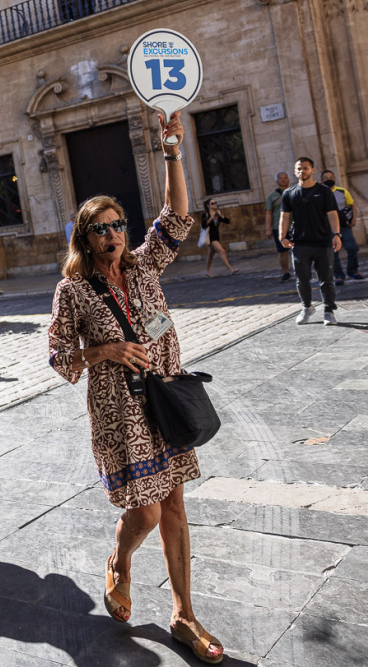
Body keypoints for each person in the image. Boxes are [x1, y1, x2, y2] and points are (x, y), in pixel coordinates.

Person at [47, 112, 225, 664]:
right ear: (86, 236)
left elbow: (176, 216)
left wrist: (171, 150)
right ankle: (120, 561)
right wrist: (104, 351)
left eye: (119, 223)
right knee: (145, 512)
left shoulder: (146, 266)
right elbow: (58, 356)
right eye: (101, 227)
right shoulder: (72, 290)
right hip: (122, 413)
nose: (114, 234)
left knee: (173, 505)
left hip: (165, 400)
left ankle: (183, 615)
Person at [280, 157, 343, 326]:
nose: (302, 171)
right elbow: (285, 216)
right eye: (299, 168)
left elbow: (332, 214)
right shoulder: (289, 193)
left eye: (306, 168)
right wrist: (282, 236)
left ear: (312, 170)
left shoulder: (323, 191)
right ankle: (306, 307)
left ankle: (329, 311)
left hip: (322, 242)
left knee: (326, 279)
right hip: (300, 244)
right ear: (295, 171)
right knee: (302, 279)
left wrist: (336, 234)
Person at [321, 170, 361, 284]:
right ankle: (338, 275)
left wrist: (353, 220)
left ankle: (353, 271)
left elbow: (352, 205)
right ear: (322, 180)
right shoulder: (319, 194)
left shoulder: (342, 191)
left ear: (335, 179)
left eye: (331, 177)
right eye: (326, 177)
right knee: (333, 253)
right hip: (328, 228)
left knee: (352, 247)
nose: (329, 179)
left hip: (344, 226)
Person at [265, 172, 292, 282]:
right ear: (277, 181)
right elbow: (268, 212)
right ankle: (286, 272)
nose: (283, 180)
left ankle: (301, 271)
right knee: (282, 251)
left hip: (294, 226)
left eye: (285, 178)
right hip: (279, 227)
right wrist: (268, 228)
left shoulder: (294, 192)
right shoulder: (272, 196)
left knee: (299, 249)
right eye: (281, 178)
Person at [199, 198, 236, 277]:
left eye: (215, 203)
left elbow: (227, 221)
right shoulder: (205, 214)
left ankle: (207, 272)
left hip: (216, 236)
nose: (214, 204)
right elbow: (203, 225)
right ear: (208, 205)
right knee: (222, 251)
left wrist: (221, 215)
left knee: (210, 255)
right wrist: (211, 218)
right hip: (211, 237)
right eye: (212, 203)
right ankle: (231, 269)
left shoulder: (217, 213)